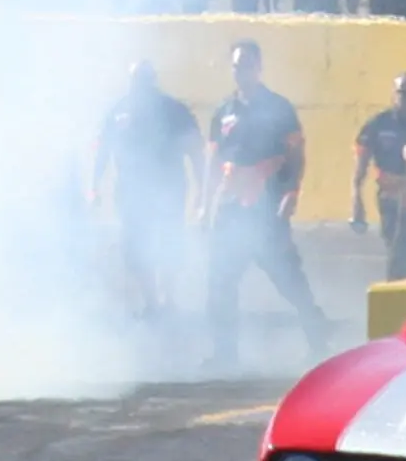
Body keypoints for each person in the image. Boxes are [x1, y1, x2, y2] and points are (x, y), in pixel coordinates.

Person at [202, 39, 329, 369]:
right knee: (221, 282)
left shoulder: (279, 108)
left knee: (288, 280)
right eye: (235, 66)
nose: (239, 71)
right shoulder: (223, 111)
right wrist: (205, 204)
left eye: (245, 65)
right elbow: (213, 162)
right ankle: (225, 355)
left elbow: (296, 154)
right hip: (232, 210)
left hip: (267, 209)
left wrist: (292, 193)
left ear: (258, 67)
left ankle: (319, 341)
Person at [91, 60, 202, 317]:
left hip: (169, 190)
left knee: (169, 242)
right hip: (131, 193)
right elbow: (103, 149)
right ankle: (152, 302)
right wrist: (94, 186)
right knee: (136, 246)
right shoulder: (119, 111)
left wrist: (201, 190)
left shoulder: (174, 111)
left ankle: (168, 298)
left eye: (145, 79)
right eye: (136, 80)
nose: (140, 85)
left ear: (153, 81)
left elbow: (195, 149)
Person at [352, 71, 406, 280]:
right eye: (401, 93)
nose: (405, 98)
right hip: (391, 200)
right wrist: (356, 199)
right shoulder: (378, 124)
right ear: (393, 94)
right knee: (395, 249)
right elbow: (361, 163)